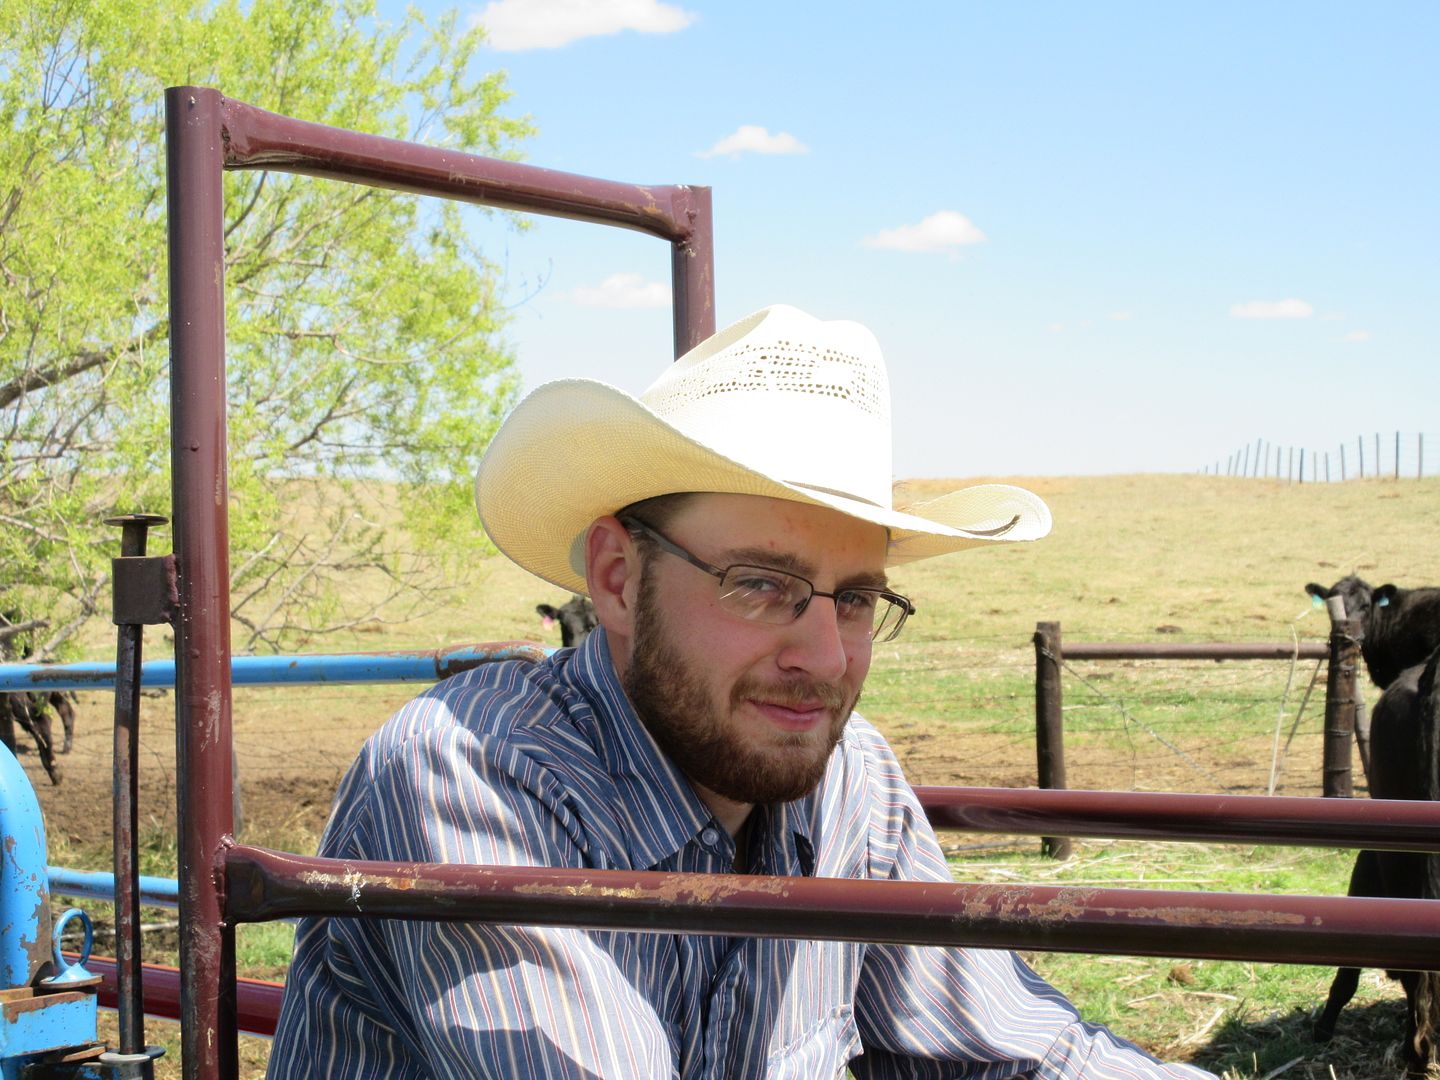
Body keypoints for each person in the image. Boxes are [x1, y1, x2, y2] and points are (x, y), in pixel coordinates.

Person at [269, 305, 1215, 1078]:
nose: (826, 658)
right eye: (761, 583)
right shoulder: (472, 773)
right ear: (616, 579)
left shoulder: (850, 779)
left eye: (856, 599)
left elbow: (1013, 1050)